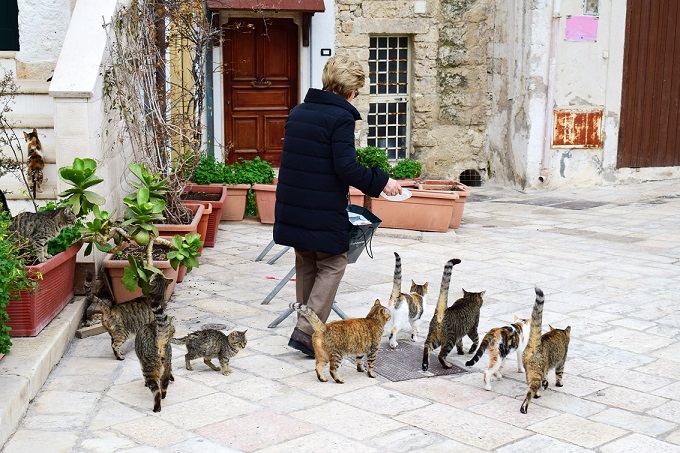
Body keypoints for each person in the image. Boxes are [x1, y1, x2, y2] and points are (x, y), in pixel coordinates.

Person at [273, 55, 402, 357]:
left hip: (293, 203)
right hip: (321, 204)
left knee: (307, 261)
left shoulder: (299, 112)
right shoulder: (341, 117)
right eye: (357, 88)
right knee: (333, 262)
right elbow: (346, 168)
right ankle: (307, 333)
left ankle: (303, 330)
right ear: (350, 89)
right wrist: (383, 182)